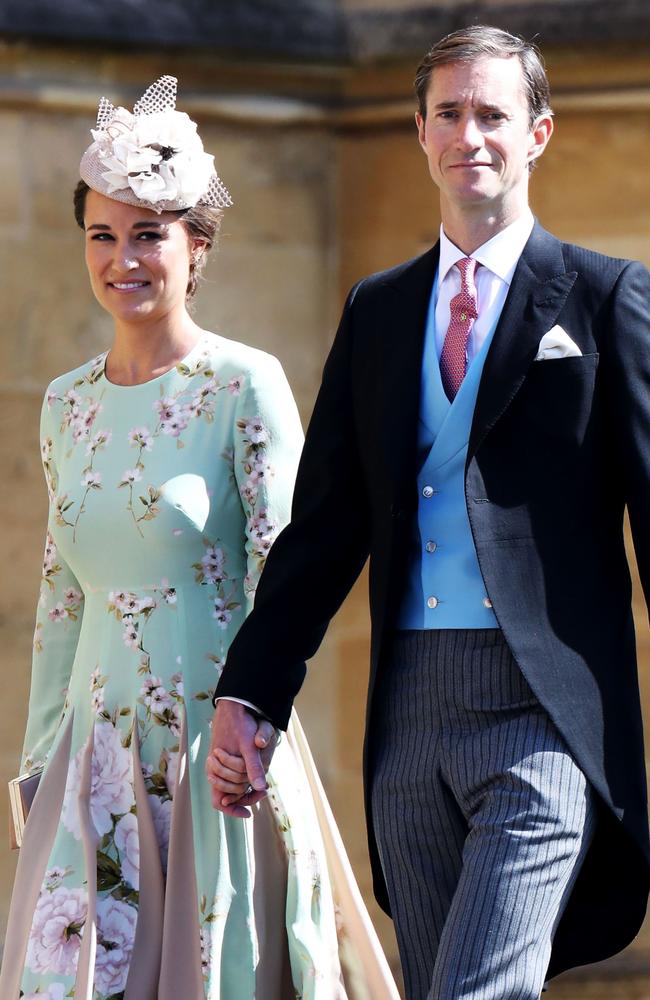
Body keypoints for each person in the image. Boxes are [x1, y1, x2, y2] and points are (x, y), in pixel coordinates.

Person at [208, 24, 650, 1000]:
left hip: (542, 712)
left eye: (492, 113)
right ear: (417, 130)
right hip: (406, 711)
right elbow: (324, 527)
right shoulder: (376, 311)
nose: (470, 135)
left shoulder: (604, 299)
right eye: (447, 112)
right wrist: (251, 692)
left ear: (537, 131)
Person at [0, 76, 399, 1000]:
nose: (123, 258)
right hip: (93, 771)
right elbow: (61, 596)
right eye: (103, 234)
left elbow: (290, 578)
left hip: (217, 760)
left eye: (148, 233)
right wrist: (35, 768)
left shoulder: (244, 385)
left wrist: (253, 727)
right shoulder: (64, 403)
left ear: (197, 244)